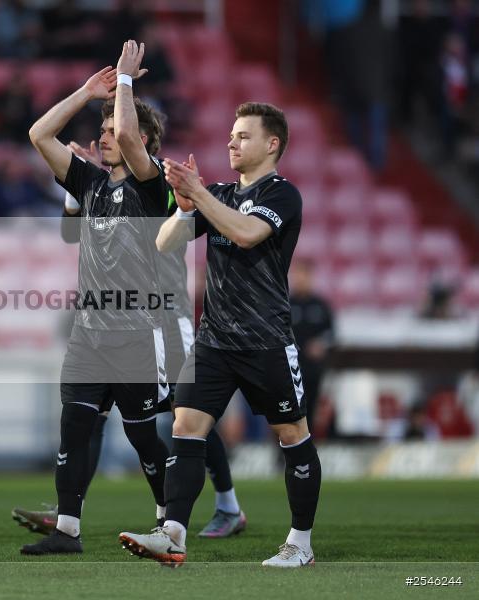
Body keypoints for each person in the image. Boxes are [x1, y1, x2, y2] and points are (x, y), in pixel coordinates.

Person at [119, 102, 321, 568]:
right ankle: (172, 533)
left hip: (265, 338)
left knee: (292, 436)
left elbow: (249, 233)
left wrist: (201, 195)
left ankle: (300, 543)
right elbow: (165, 241)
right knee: (185, 426)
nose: (231, 142)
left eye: (243, 136)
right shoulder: (220, 194)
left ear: (272, 145)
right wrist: (187, 205)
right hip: (214, 339)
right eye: (230, 134)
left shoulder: (283, 194)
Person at [12, 142, 246, 541]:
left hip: (165, 321)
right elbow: (72, 232)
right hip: (112, 324)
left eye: (119, 135)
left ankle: (226, 504)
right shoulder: (109, 189)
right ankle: (72, 512)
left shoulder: (157, 184)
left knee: (184, 414)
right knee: (91, 420)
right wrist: (80, 181)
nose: (112, 141)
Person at [21, 40, 171, 555]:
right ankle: (67, 530)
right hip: (89, 333)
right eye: (102, 130)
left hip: (134, 334)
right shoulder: (89, 183)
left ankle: (168, 520)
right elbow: (40, 134)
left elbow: (130, 134)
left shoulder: (155, 188)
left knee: (144, 439)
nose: (104, 137)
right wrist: (86, 93)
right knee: (74, 429)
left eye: (110, 131)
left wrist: (125, 83)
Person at [289, 259, 334, 432]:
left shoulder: (320, 305)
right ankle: (283, 450)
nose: (299, 279)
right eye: (296, 275)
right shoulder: (286, 303)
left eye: (303, 275)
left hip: (313, 369)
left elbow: (332, 334)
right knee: (288, 410)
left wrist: (321, 344)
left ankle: (309, 447)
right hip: (290, 369)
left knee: (311, 407)